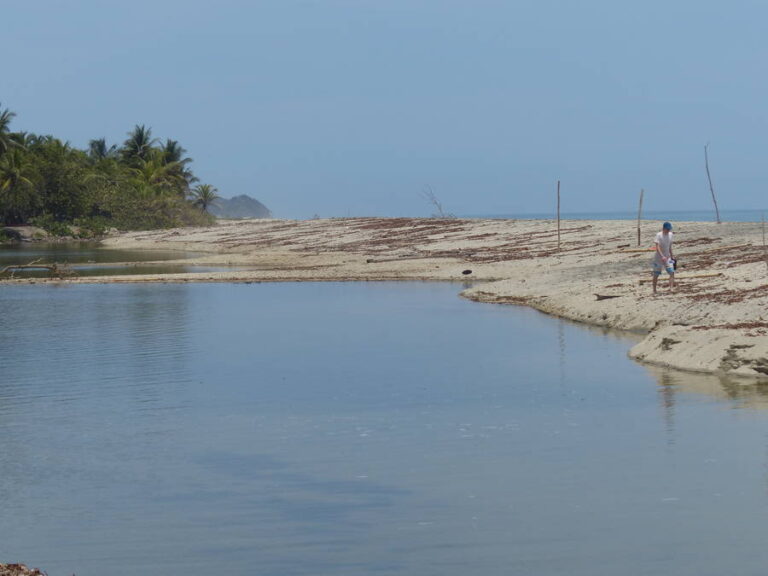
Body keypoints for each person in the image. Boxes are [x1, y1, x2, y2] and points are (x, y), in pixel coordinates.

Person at [652, 221, 675, 294]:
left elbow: (669, 246)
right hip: (658, 258)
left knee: (672, 272)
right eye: (667, 229)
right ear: (663, 228)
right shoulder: (658, 235)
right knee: (656, 274)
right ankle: (654, 290)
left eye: (669, 229)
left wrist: (672, 255)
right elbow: (657, 247)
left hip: (668, 257)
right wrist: (662, 256)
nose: (668, 231)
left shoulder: (671, 235)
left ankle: (671, 288)